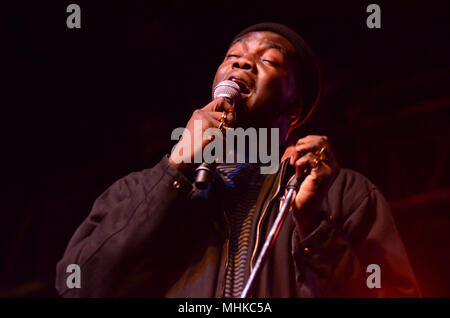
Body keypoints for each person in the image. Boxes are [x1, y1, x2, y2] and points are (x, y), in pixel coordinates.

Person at [55, 23, 421, 297]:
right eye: (233, 57)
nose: (243, 62)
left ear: (293, 105)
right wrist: (174, 171)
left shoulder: (342, 193)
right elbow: (79, 287)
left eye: (268, 59)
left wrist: (315, 229)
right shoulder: (137, 190)